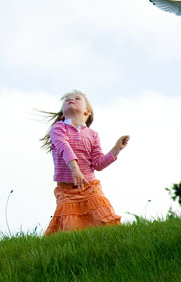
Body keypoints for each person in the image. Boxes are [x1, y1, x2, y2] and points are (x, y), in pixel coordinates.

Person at [40, 90, 129, 235]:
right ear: (63, 114)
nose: (71, 100)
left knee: (105, 222)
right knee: (71, 228)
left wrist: (116, 149)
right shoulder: (58, 128)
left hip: (90, 187)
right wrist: (75, 168)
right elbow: (64, 147)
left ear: (87, 113)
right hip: (67, 191)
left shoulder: (93, 135)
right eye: (67, 100)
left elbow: (98, 164)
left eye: (77, 99)